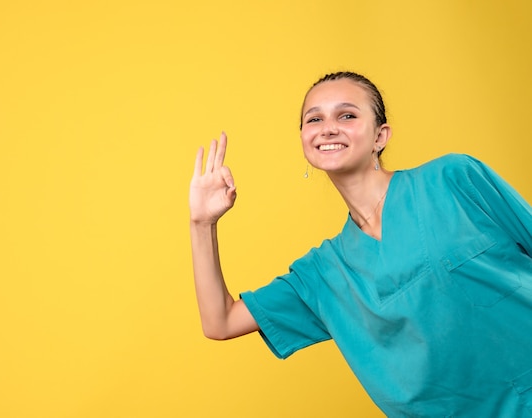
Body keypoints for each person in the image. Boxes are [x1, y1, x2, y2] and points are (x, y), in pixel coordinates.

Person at [188, 71, 532, 417]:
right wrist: (202, 223)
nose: (328, 128)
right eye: (315, 119)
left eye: (347, 115)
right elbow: (220, 322)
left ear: (380, 136)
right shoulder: (325, 274)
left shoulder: (452, 179)